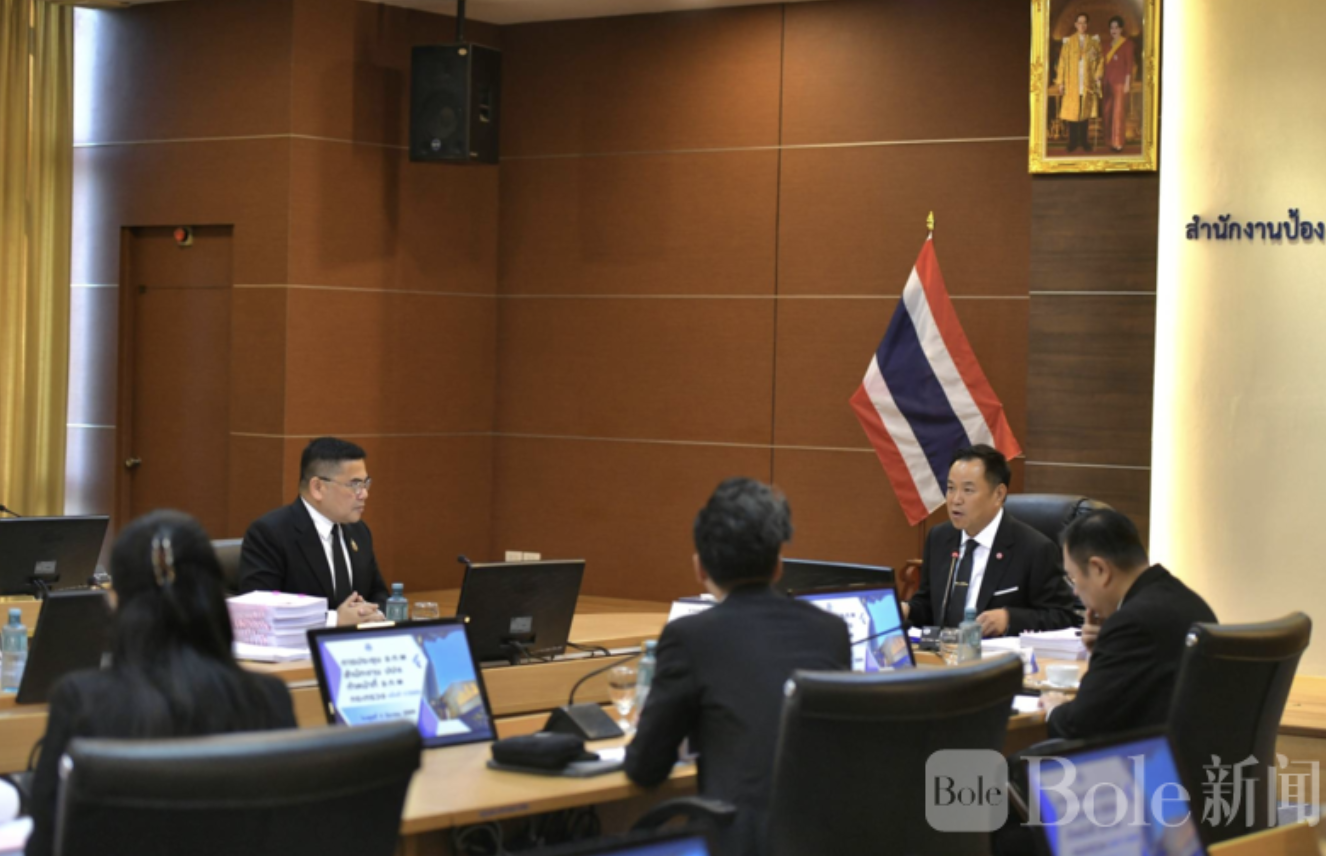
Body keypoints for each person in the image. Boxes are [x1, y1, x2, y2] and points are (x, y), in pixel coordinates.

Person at [25, 510, 296, 856]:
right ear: (216, 594)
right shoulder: (270, 699)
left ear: (114, 601)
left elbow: (47, 841)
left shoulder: (81, 701)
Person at [624, 478, 850, 856]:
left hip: (736, 843)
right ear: (778, 566)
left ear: (700, 568)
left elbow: (645, 769)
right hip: (825, 840)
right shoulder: (831, 631)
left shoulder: (689, 637)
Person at [1044, 509, 1217, 739]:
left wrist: (1054, 710)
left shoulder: (1132, 623)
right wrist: (1104, 650)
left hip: (1149, 757)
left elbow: (1081, 724)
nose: (1075, 591)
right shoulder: (1188, 600)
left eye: (1073, 578)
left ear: (1099, 569)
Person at [904, 445, 1078, 637]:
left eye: (968, 490)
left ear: (998, 494)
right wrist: (906, 610)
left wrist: (1009, 619)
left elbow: (1063, 617)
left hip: (994, 653)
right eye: (951, 488)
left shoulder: (1035, 549)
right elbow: (929, 605)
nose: (955, 499)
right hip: (941, 651)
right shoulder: (939, 538)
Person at [239, 437, 387, 625]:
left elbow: (378, 593)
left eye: (365, 483)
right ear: (318, 487)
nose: (364, 493)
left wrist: (371, 612)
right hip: (302, 643)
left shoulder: (359, 531)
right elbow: (259, 613)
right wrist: (334, 620)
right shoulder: (270, 533)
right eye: (355, 484)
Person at [1054, 13, 1102, 153]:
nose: (1082, 25)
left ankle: (1085, 141)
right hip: (1072, 83)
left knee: (1085, 114)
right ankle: (1073, 142)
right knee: (1073, 115)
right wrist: (1061, 82)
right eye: (1080, 23)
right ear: (1075, 24)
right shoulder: (1068, 42)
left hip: (1087, 83)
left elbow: (1100, 60)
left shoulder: (1093, 42)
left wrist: (1098, 76)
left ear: (1087, 24)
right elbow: (1062, 63)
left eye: (1084, 22)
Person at [1101, 15, 1136, 153]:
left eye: (1116, 27)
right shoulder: (1106, 45)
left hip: (1120, 83)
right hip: (1107, 82)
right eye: (1111, 28)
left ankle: (1118, 142)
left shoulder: (1127, 44)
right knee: (1107, 112)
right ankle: (1109, 140)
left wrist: (1127, 83)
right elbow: (1102, 63)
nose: (1114, 30)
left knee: (1118, 114)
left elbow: (1129, 65)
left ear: (1121, 29)